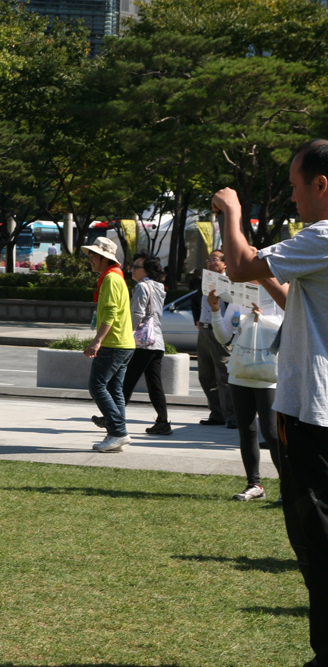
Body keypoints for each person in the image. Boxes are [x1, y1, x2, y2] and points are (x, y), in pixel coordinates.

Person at [212, 138, 328, 667]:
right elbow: (289, 294)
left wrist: (232, 214)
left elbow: (238, 266)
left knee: (317, 541)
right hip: (308, 412)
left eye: (295, 187)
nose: (293, 198)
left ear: (321, 185)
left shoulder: (324, 235)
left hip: (314, 416)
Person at [210, 285, 285, 501]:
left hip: (268, 375)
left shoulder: (279, 297)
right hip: (240, 372)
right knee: (247, 431)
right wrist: (215, 310)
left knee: (272, 433)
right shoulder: (236, 298)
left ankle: (287, 485)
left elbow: (289, 333)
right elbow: (224, 337)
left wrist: (263, 322)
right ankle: (254, 484)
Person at [81, 237, 135, 452]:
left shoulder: (111, 279)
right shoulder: (115, 277)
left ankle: (118, 432)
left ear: (104, 257)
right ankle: (116, 434)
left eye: (92, 255)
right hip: (123, 343)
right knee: (114, 389)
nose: (90, 259)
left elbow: (111, 312)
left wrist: (97, 341)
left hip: (114, 344)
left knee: (97, 386)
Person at [122, 253, 171, 435]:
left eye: (136, 267)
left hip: (142, 343)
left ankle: (112, 418)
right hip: (156, 342)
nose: (132, 270)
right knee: (154, 384)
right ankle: (163, 422)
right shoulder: (158, 287)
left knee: (127, 382)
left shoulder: (142, 287)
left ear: (148, 270)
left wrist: (127, 334)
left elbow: (136, 314)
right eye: (132, 266)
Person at [197, 250, 237, 428]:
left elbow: (234, 307)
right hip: (204, 330)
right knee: (205, 375)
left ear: (225, 264)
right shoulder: (205, 281)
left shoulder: (230, 283)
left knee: (223, 374)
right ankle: (217, 413)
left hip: (220, 330)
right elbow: (195, 301)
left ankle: (232, 416)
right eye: (209, 260)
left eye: (215, 260)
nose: (211, 263)